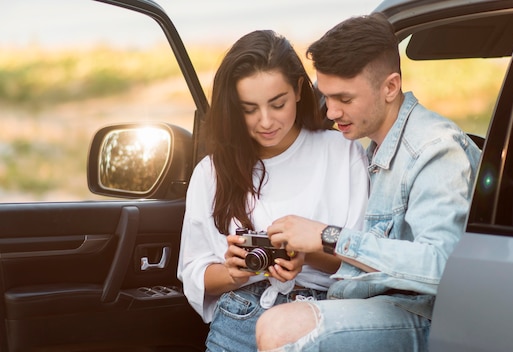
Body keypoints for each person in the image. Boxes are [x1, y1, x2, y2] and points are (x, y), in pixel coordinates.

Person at [255, 13, 482, 351]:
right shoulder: (375, 147)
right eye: (326, 96)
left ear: (390, 87)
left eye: (344, 99)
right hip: (382, 305)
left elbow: (440, 267)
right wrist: (313, 252)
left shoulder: (434, 149)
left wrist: (328, 236)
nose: (330, 112)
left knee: (281, 328)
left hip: (427, 317)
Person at [176, 30, 369, 352]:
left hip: (322, 317)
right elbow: (194, 271)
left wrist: (308, 256)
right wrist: (234, 272)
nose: (265, 122)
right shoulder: (212, 171)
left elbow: (364, 261)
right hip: (241, 315)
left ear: (297, 90)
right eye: (249, 109)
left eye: (277, 104)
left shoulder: (341, 152)